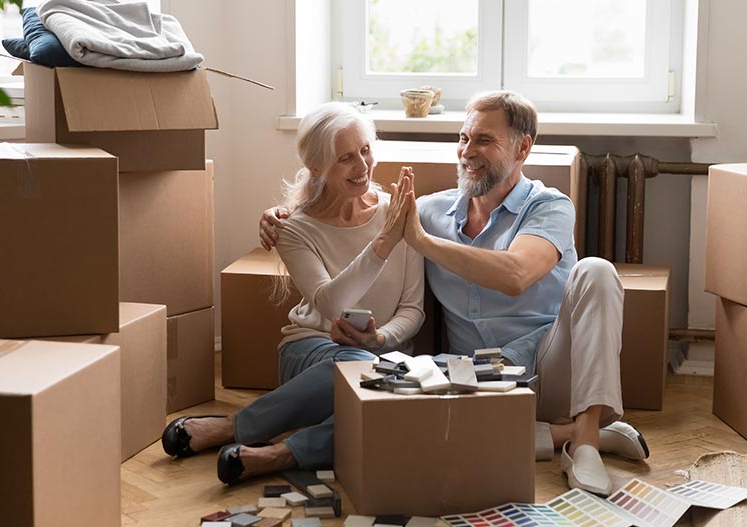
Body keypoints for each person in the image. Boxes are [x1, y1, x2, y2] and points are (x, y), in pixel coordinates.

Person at [260, 91, 649, 497]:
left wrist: (422, 242)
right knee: (394, 406)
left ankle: (585, 443)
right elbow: (361, 209)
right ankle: (570, 434)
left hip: (549, 369)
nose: (468, 151)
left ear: (522, 148)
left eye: (484, 140)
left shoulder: (549, 207)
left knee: (597, 270)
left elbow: (516, 274)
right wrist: (277, 217)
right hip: (474, 377)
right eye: (464, 138)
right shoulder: (430, 211)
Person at [162, 102, 424, 485]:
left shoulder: (399, 212)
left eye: (366, 150)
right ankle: (238, 427)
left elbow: (413, 309)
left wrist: (380, 338)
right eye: (346, 158)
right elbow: (332, 304)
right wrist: (382, 245)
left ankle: (274, 452)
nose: (363, 166)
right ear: (317, 167)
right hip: (312, 352)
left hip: (385, 358)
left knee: (392, 401)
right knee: (361, 370)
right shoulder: (294, 228)